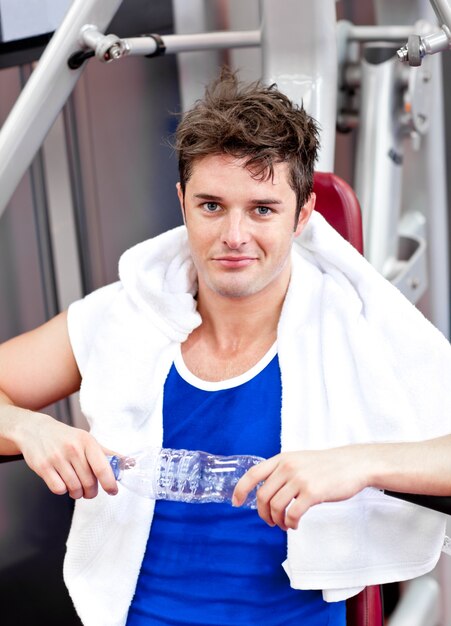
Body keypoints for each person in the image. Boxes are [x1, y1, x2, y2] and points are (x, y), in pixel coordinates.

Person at [0, 68, 451, 626]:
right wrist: (27, 426)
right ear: (183, 202)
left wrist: (359, 462)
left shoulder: (355, 327)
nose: (234, 236)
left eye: (262, 209)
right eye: (212, 206)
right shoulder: (126, 315)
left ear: (303, 213)